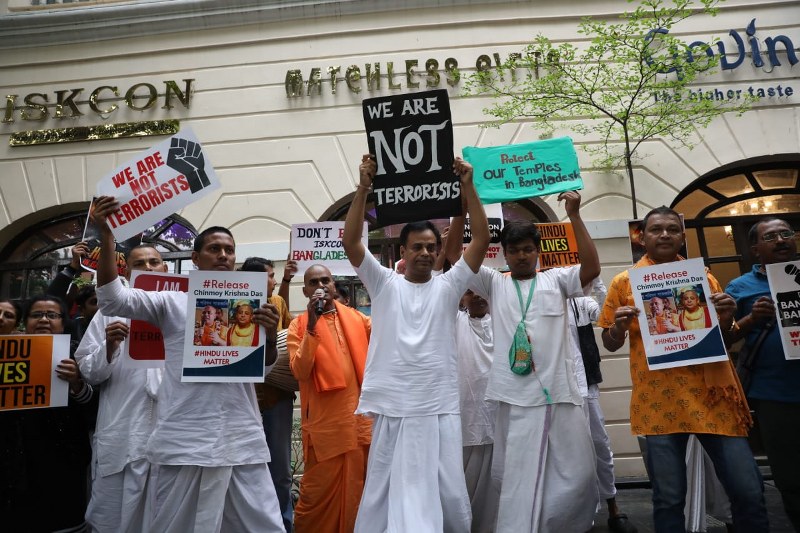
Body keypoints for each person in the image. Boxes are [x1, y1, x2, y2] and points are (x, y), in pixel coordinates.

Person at [91, 195, 285, 533]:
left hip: (239, 433)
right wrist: (107, 235)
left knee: (263, 524)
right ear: (195, 258)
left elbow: (265, 370)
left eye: (229, 250)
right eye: (214, 249)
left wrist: (268, 334)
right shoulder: (171, 301)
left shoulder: (251, 305)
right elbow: (112, 300)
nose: (223, 255)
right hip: (184, 434)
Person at [343, 155, 490, 532]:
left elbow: (482, 240)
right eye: (417, 247)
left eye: (430, 246)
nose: (425, 253)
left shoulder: (449, 285)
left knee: (447, 491)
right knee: (388, 486)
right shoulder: (383, 284)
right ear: (402, 253)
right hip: (395, 405)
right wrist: (363, 188)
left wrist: (468, 188)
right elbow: (351, 241)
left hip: (438, 404)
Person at [599, 205, 768, 533]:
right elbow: (609, 342)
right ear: (642, 237)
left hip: (713, 398)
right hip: (659, 402)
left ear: (682, 237)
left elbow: (724, 336)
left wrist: (727, 315)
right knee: (669, 498)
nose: (664, 235)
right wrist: (618, 327)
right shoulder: (624, 282)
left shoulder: (703, 276)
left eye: (672, 230)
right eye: (656, 229)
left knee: (748, 491)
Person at [462, 191, 601, 533]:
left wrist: (575, 215)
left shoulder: (557, 279)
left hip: (558, 394)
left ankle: (556, 525)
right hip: (514, 398)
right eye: (515, 250)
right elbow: (456, 258)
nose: (522, 256)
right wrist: (463, 206)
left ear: (537, 252)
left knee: (576, 473)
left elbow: (592, 268)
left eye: (528, 249)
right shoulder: (494, 283)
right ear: (504, 254)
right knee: (516, 473)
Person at [75, 243, 167, 533]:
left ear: (165, 268)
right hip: (123, 431)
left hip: (170, 431)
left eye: (155, 262)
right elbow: (88, 372)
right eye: (141, 263)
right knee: (114, 517)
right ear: (128, 271)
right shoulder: (110, 312)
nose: (150, 268)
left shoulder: (183, 310)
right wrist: (110, 344)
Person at [726, 217, 800, 530]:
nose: (781, 240)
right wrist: (751, 320)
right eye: (771, 237)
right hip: (775, 397)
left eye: (787, 233)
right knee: (791, 477)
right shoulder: (739, 288)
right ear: (756, 249)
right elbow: (722, 337)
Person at [287, 264, 372, 532]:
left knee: (361, 494)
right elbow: (300, 370)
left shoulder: (359, 320)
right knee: (314, 501)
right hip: (327, 431)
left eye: (326, 280)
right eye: (314, 282)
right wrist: (312, 327)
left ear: (334, 286)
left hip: (360, 425)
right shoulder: (298, 326)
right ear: (305, 291)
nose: (321, 286)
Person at [0, 295, 95, 532]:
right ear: (25, 322)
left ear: (64, 323)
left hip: (62, 463)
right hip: (13, 461)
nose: (44, 319)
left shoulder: (79, 356)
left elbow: (93, 408)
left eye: (52, 315)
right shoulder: (7, 352)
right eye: (36, 314)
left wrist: (76, 384)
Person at [568, 279, 637, 533]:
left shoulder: (581, 303)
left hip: (585, 385)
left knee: (599, 445)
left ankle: (613, 507)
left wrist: (595, 281)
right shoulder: (537, 302)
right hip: (553, 389)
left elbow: (607, 312)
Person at [240, 256, 296, 533]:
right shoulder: (232, 303)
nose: (273, 280)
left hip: (276, 398)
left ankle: (284, 524)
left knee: (281, 470)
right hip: (241, 400)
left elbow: (290, 339)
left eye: (275, 276)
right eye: (270, 276)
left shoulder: (278, 304)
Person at [455, 290, 499, 533]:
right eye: (470, 293)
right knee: (466, 478)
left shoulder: (504, 322)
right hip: (467, 417)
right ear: (462, 299)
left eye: (482, 292)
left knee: (496, 481)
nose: (477, 297)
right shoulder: (456, 322)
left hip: (499, 415)